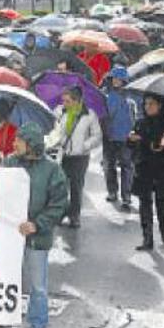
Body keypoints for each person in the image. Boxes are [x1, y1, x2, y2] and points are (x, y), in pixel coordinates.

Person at [0, 122, 68, 328]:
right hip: (11, 236)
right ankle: (4, 321)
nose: (14, 144)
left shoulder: (52, 170)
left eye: (18, 141)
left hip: (36, 238)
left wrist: (37, 224)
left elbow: (60, 203)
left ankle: (38, 326)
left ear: (30, 144)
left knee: (37, 286)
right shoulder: (10, 163)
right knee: (7, 280)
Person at [46, 86, 102, 229]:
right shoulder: (60, 111)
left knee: (76, 186)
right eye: (63, 100)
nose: (64, 103)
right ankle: (61, 212)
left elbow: (97, 136)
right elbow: (53, 130)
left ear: (78, 101)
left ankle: (74, 215)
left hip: (80, 157)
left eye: (68, 101)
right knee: (60, 186)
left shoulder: (89, 115)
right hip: (62, 154)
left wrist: (84, 146)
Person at [129, 94, 164, 250]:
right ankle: (147, 237)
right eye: (146, 104)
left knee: (162, 201)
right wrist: (131, 140)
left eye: (151, 104)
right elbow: (132, 144)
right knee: (144, 202)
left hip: (162, 168)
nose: (147, 107)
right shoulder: (140, 122)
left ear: (160, 106)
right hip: (143, 167)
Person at [102, 66, 137, 210]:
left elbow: (134, 117)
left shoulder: (131, 97)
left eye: (119, 79)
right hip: (109, 135)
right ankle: (112, 192)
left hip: (125, 137)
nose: (116, 81)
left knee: (126, 166)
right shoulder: (106, 95)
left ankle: (126, 195)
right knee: (109, 166)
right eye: (114, 78)